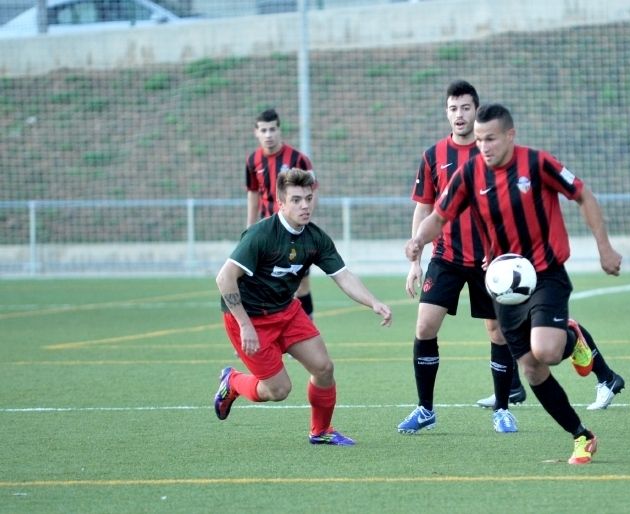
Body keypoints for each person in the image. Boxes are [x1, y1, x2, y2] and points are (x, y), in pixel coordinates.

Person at [405, 103, 625, 464]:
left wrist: (605, 248)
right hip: (502, 282)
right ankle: (581, 436)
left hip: (545, 274)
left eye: (491, 139)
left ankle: (571, 337)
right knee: (532, 368)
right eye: (479, 140)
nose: (484, 147)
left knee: (547, 351)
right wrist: (418, 240)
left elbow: (582, 195)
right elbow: (439, 216)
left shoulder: (537, 163)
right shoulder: (470, 173)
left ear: (510, 135)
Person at [215, 167, 393, 446]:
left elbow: (343, 276)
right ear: (281, 203)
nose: (305, 206)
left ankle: (321, 431)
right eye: (296, 200)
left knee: (323, 368)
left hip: (286, 311)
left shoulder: (315, 238)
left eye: (309, 199)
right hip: (249, 318)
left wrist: (374, 302)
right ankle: (233, 382)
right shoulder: (261, 234)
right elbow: (224, 278)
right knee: (278, 390)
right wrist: (245, 325)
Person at [398, 80, 526, 436]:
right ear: (446, 113)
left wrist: (507, 252)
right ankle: (425, 409)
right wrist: (415, 260)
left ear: (476, 111)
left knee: (497, 332)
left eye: (466, 108)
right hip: (446, 256)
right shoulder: (433, 156)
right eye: (453, 108)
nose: (459, 115)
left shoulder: (493, 154)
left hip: (490, 261)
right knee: (425, 326)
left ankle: (502, 410)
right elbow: (424, 208)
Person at [245, 108, 316, 318]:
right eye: (263, 130)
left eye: (272, 129)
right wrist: (250, 227)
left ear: (279, 130)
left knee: (300, 283)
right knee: (264, 282)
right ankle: (265, 329)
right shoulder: (252, 161)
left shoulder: (298, 159)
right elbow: (253, 193)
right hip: (268, 232)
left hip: (294, 232)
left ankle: (308, 328)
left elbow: (312, 192)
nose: (268, 135)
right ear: (256, 132)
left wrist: (304, 222)